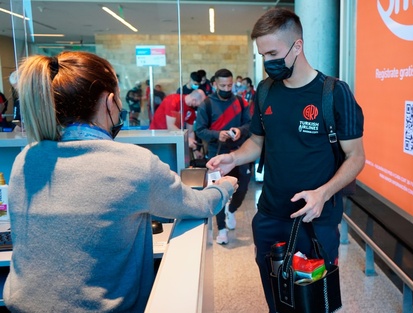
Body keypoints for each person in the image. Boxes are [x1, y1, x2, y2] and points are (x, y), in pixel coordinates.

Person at [4, 51, 238, 312]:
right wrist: (225, 185)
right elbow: (199, 205)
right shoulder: (134, 163)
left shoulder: (26, 159)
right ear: (110, 101)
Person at [206, 8, 365, 312]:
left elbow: (356, 157)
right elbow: (257, 141)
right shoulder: (265, 91)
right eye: (262, 55)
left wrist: (324, 193)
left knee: (312, 304)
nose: (267, 62)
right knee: (277, 301)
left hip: (315, 221)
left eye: (273, 53)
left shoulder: (334, 93)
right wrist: (232, 158)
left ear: (298, 46)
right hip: (269, 216)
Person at [195, 68, 252, 245]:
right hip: (216, 153)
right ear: (214, 84)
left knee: (242, 189)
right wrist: (216, 134)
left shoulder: (241, 103)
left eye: (230, 85)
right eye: (223, 85)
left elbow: (250, 125)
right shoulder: (207, 104)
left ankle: (232, 210)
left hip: (239, 151)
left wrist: (239, 131)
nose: (227, 88)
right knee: (218, 191)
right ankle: (221, 230)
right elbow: (200, 130)